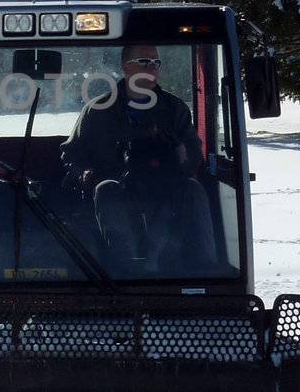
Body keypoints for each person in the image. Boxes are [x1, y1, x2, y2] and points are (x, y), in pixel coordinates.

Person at [58, 44, 216, 270]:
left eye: (156, 62)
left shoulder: (174, 110)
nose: (152, 68)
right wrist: (86, 174)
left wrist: (184, 157)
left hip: (165, 188)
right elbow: (72, 152)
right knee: (106, 189)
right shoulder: (99, 110)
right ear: (126, 68)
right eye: (144, 62)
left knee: (193, 190)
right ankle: (127, 270)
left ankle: (205, 270)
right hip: (118, 189)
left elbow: (193, 154)